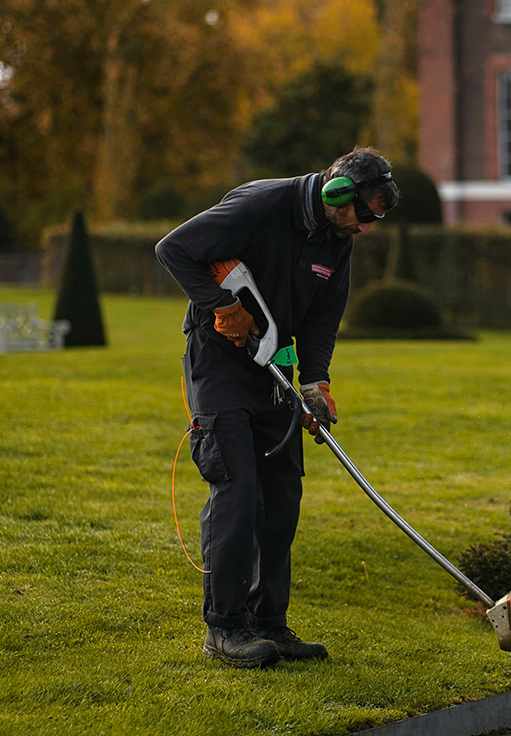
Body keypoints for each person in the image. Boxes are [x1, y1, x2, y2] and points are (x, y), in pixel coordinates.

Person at [155, 148, 400, 669]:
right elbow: (173, 248)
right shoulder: (261, 205)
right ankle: (224, 628)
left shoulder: (337, 242)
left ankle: (269, 623)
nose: (367, 227)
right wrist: (222, 306)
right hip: (218, 363)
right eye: (365, 214)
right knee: (237, 485)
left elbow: (321, 321)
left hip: (272, 366)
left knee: (282, 492)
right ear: (337, 193)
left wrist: (315, 384)